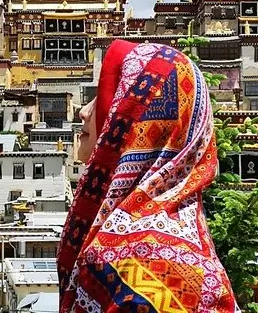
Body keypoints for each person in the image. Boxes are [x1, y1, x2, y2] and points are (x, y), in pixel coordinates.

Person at [58, 40, 239, 313]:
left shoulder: (135, 261)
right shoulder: (175, 240)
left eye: (106, 95)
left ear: (135, 119)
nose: (84, 111)